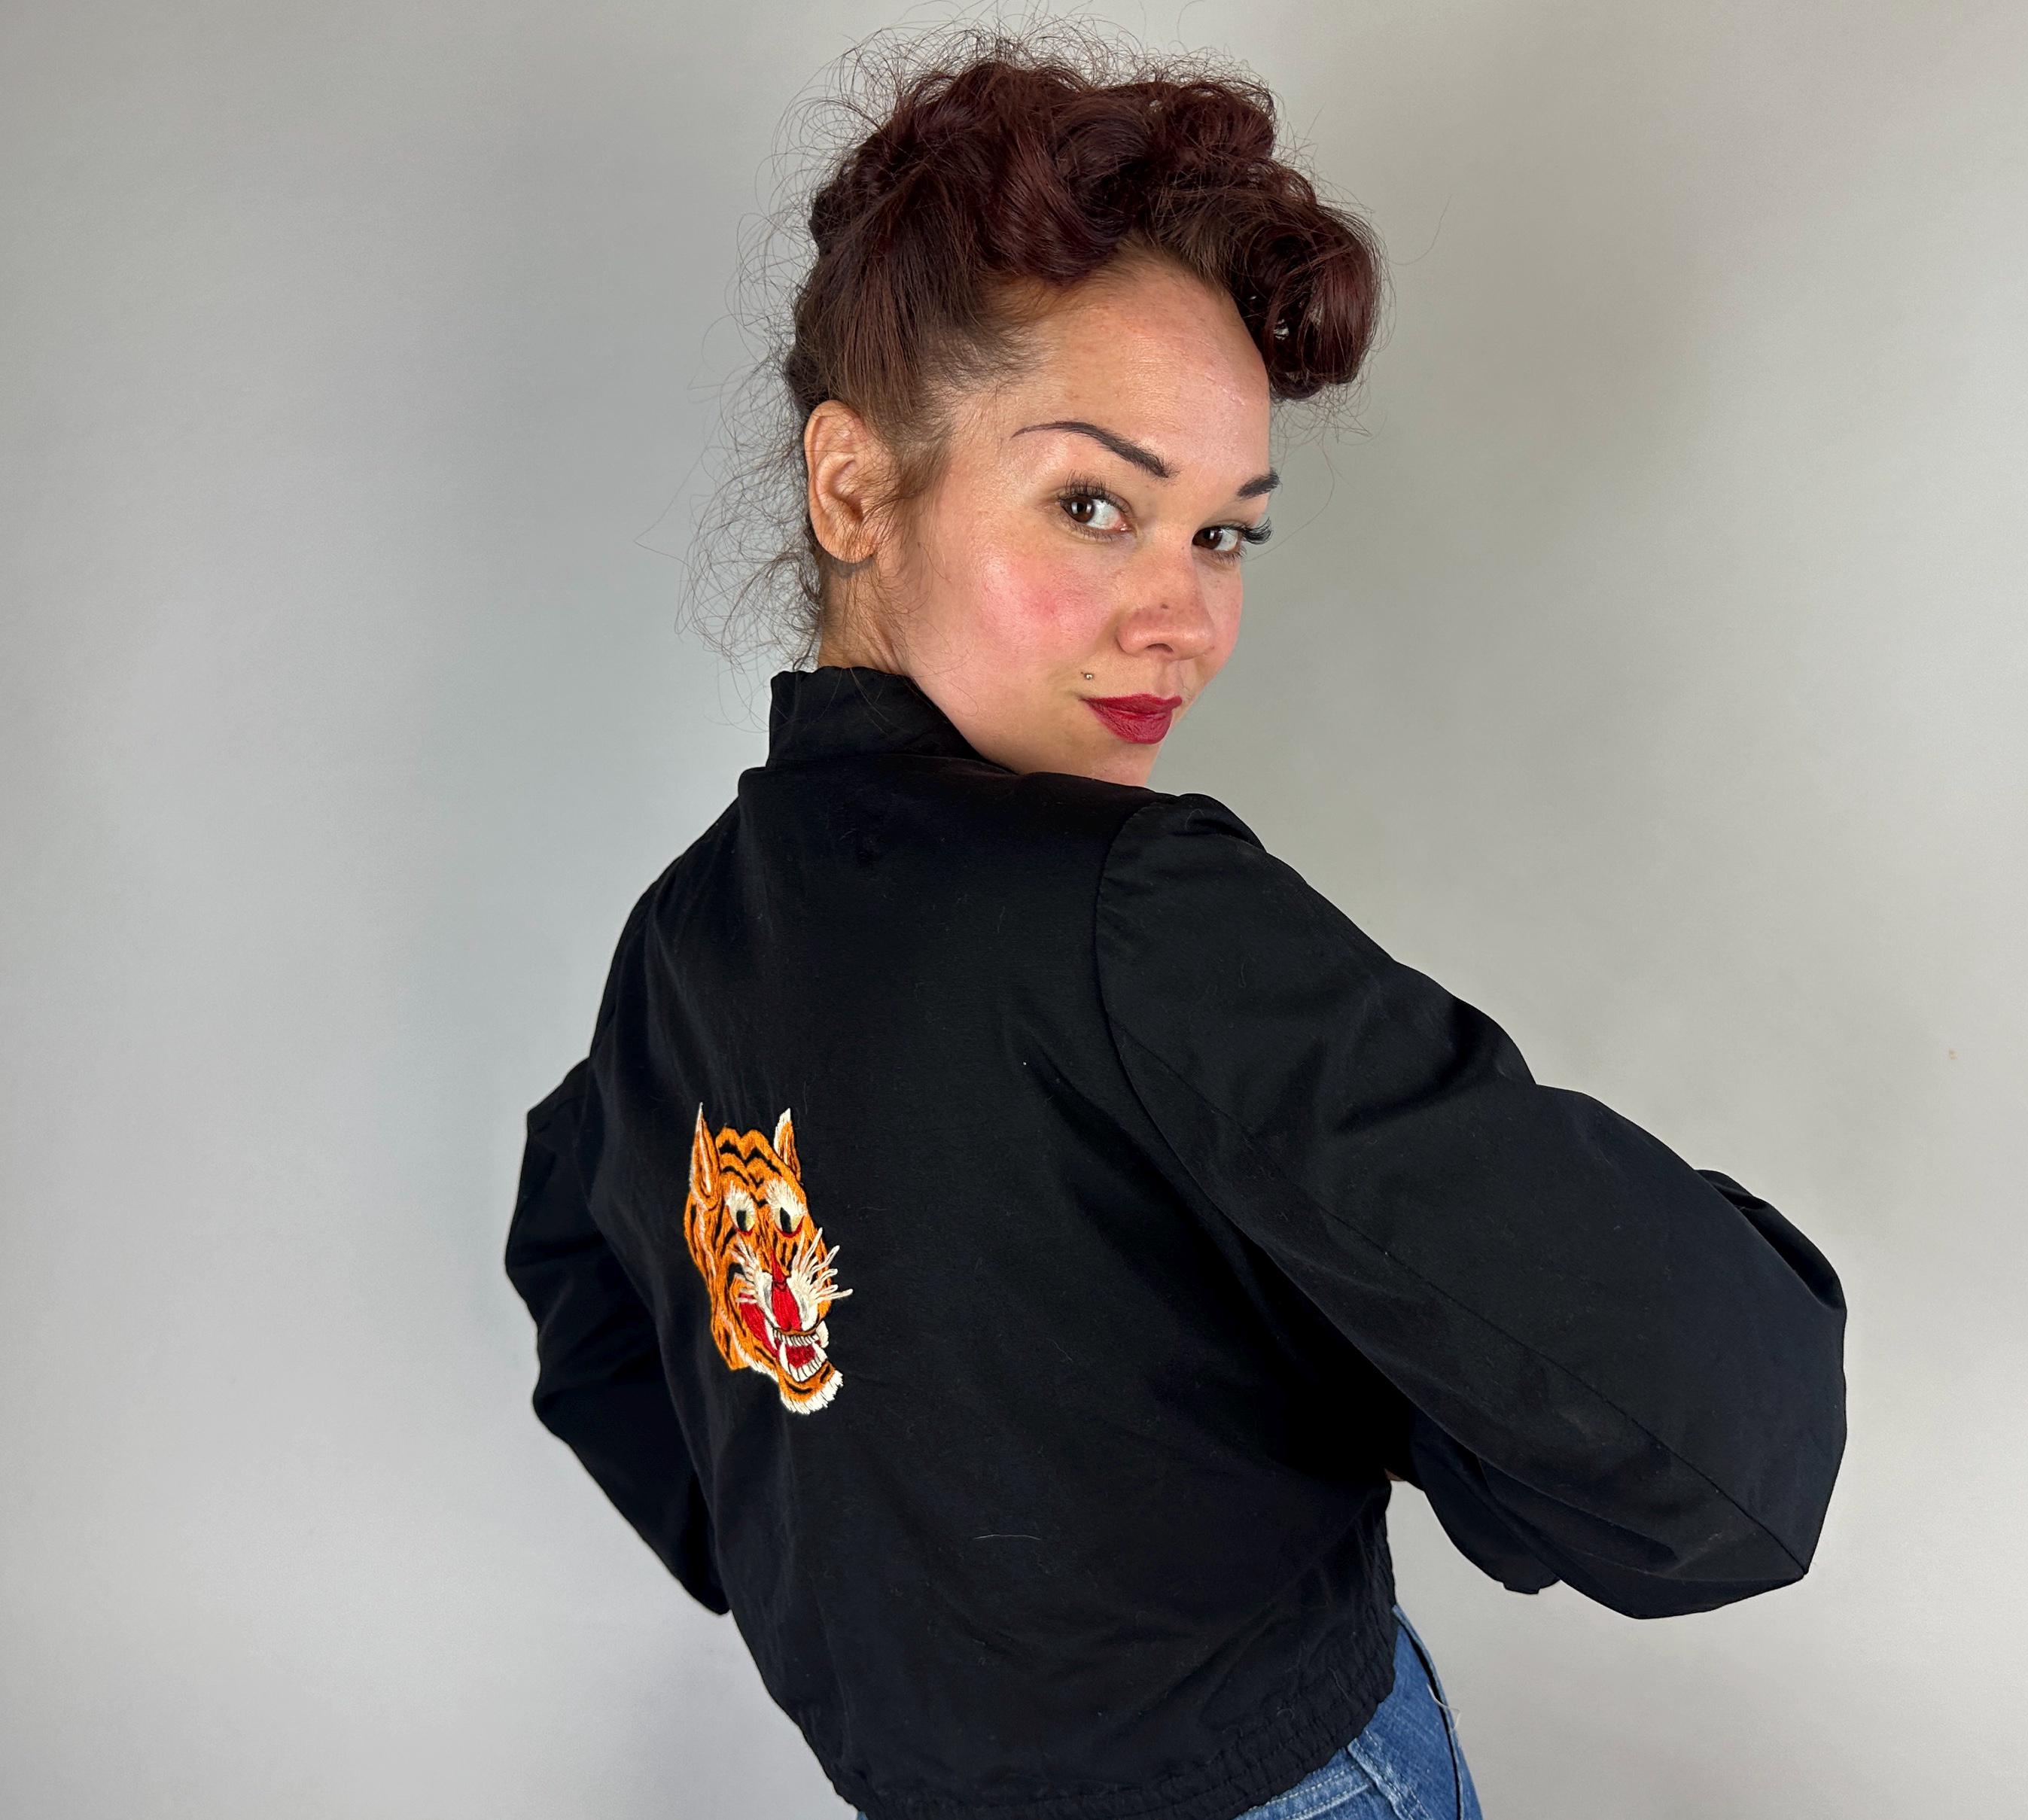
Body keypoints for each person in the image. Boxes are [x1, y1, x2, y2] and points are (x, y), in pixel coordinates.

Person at [504, 26, 1849, 1820]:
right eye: (1095, 506)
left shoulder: (684, 940)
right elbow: (1723, 1436)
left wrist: (861, 1608)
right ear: (855, 488)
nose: (1186, 622)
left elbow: (592, 1295)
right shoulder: (1129, 915)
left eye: (1224, 536)